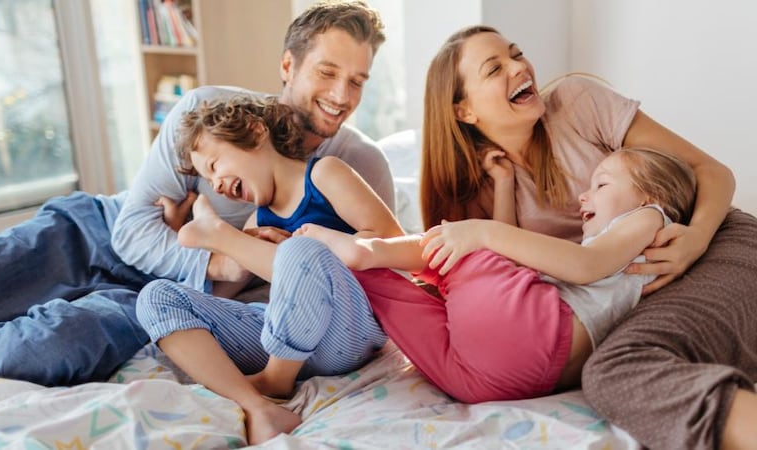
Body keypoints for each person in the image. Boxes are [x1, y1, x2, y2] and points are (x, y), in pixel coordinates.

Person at [0, 0, 393, 386]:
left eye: (357, 81)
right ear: (287, 66)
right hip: (93, 236)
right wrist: (219, 258)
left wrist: (229, 262)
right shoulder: (208, 116)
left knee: (52, 344)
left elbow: (359, 281)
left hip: (162, 297)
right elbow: (131, 231)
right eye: (327, 72)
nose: (341, 95)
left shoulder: (360, 166)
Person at [404, 25, 756, 450]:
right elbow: (507, 288)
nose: (519, 66)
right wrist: (501, 190)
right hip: (640, 288)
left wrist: (696, 239)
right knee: (619, 367)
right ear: (464, 111)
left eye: (516, 53)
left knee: (620, 371)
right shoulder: (477, 191)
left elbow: (712, 172)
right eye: (495, 68)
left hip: (717, 243)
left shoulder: (576, 102)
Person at [298, 147, 695, 403]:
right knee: (381, 290)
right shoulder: (621, 243)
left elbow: (582, 267)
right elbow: (511, 267)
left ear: (650, 194)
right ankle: (362, 261)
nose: (583, 196)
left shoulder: (649, 218)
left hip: (536, 337)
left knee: (462, 246)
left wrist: (480, 231)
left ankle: (372, 249)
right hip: (492, 381)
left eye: (602, 184)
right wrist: (503, 186)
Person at [136, 94, 403, 444]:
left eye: (215, 166)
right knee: (155, 296)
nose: (216, 185)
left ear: (254, 131)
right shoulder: (257, 220)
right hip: (289, 342)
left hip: (351, 329)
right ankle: (255, 404)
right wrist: (240, 252)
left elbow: (391, 242)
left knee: (302, 250)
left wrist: (231, 239)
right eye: (207, 179)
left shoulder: (325, 173)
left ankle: (275, 380)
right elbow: (213, 300)